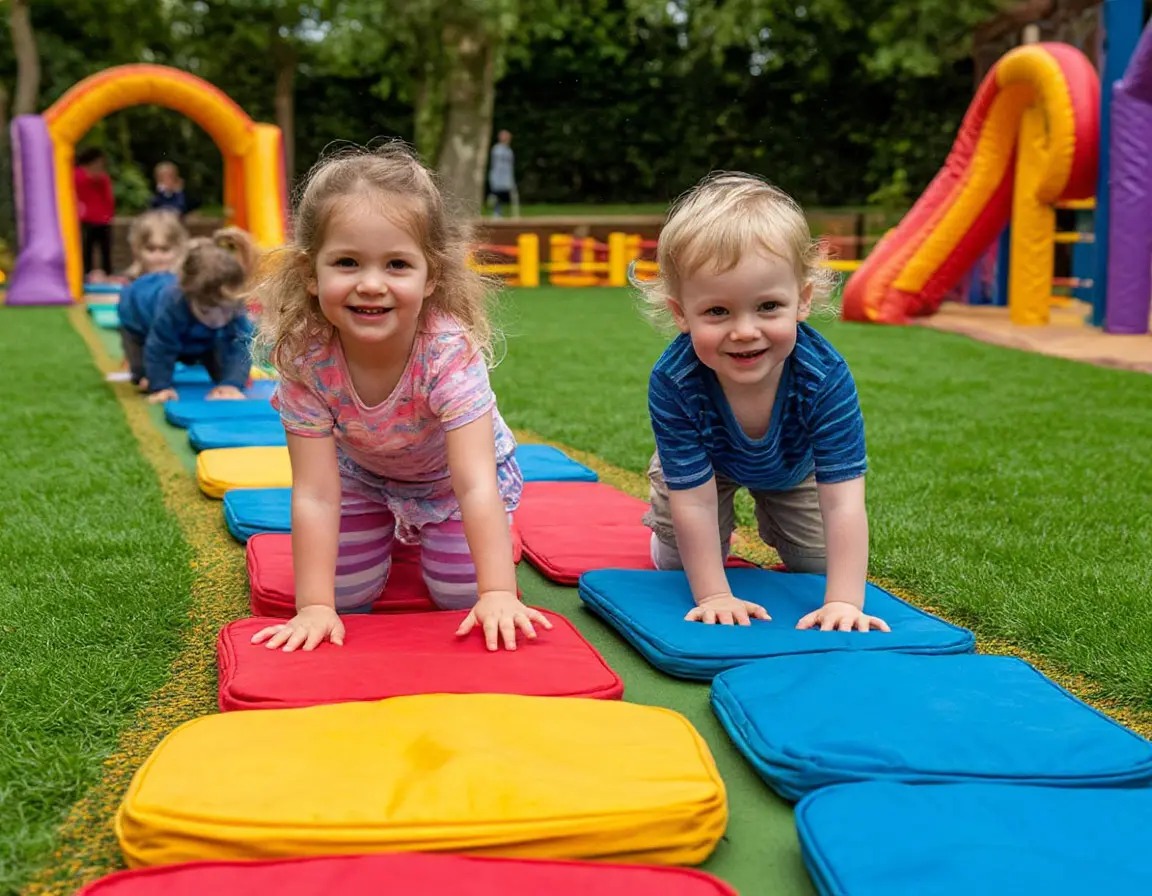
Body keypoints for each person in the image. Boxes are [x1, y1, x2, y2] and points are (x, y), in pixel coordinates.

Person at [249, 141, 547, 654]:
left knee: (459, 596)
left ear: (432, 275)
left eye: (396, 265)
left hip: (450, 485)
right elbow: (316, 492)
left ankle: (455, 538)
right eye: (346, 262)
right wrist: (314, 605)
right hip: (362, 475)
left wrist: (496, 592)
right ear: (310, 275)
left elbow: (475, 482)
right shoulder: (305, 359)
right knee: (342, 596)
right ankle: (390, 530)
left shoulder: (446, 352)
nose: (370, 284)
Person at [633, 171, 890, 633]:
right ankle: (670, 535)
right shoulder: (675, 381)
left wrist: (845, 602)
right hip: (702, 470)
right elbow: (693, 502)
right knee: (678, 566)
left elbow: (844, 500)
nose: (745, 330)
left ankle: (776, 519)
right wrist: (714, 594)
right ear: (681, 315)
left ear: (802, 301)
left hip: (794, 467)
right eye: (717, 311)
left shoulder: (824, 377)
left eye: (768, 306)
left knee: (817, 565)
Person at [117, 227, 258, 400]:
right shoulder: (173, 303)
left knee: (225, 371)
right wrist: (160, 386)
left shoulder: (233, 301)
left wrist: (231, 383)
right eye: (206, 311)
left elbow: (240, 344)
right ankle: (150, 374)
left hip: (195, 330)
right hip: (137, 319)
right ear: (189, 297)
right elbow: (159, 347)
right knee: (144, 375)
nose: (218, 321)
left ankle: (198, 351)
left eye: (225, 311)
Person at [74, 147, 115, 277]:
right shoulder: (77, 175)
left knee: (105, 250)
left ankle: (108, 274)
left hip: (102, 219)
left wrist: (109, 215)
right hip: (86, 219)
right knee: (86, 249)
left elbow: (108, 198)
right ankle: (84, 274)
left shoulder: (103, 178)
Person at [123, 209, 189, 280]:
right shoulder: (128, 283)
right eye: (150, 249)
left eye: (165, 250)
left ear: (179, 249)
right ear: (137, 250)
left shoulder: (187, 285)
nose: (158, 257)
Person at [487, 130, 516, 218]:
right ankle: (496, 211)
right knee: (497, 193)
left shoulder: (509, 151)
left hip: (506, 176)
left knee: (503, 194)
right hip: (497, 175)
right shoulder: (497, 149)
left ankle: (500, 211)